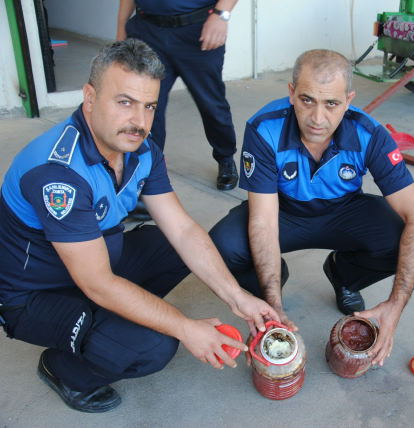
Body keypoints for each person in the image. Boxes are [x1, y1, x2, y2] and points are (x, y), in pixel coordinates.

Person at [0, 40, 278, 413]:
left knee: (170, 245)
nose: (140, 122)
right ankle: (63, 368)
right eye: (125, 102)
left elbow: (181, 229)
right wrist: (184, 327)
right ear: (89, 97)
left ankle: (117, 321)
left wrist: (236, 296)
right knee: (154, 346)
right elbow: (95, 282)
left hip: (93, 259)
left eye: (149, 106)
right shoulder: (58, 173)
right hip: (35, 295)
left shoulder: (142, 150)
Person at [210, 49, 414, 367]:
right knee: (223, 246)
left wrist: (396, 303)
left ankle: (344, 275)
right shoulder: (264, 128)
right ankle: (269, 283)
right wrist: (274, 302)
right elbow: (262, 220)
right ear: (291, 93)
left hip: (343, 211)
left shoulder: (370, 133)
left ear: (348, 100)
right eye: (307, 100)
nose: (318, 119)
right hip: (282, 212)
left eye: (331, 103)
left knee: (404, 240)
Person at [117, 0, 239, 219]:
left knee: (211, 105)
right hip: (147, 31)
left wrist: (222, 15)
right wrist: (121, 27)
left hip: (197, 30)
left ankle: (225, 158)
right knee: (145, 110)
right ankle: (146, 179)